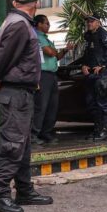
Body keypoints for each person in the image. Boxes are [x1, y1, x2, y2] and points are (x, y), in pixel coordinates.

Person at [0, 0, 52, 212]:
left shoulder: (14, 20)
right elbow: (1, 57)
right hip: (14, 93)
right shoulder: (20, 25)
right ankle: (1, 196)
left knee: (22, 145)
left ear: (15, 3)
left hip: (21, 92)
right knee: (12, 144)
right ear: (36, 4)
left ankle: (24, 190)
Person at [31, 15, 73, 146]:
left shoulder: (46, 39)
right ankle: (34, 134)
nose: (48, 26)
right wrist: (55, 51)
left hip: (52, 75)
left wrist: (65, 49)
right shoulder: (37, 37)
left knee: (52, 106)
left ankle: (46, 132)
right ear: (38, 24)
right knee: (41, 106)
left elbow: (57, 56)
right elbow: (49, 52)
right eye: (46, 23)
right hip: (42, 75)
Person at [82, 15, 107, 141]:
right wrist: (84, 65)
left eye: (92, 21)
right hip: (90, 74)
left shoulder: (103, 34)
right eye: (88, 21)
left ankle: (105, 131)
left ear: (98, 22)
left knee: (103, 104)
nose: (89, 23)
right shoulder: (88, 36)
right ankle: (97, 130)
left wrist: (102, 64)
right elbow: (87, 54)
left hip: (101, 74)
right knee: (92, 104)